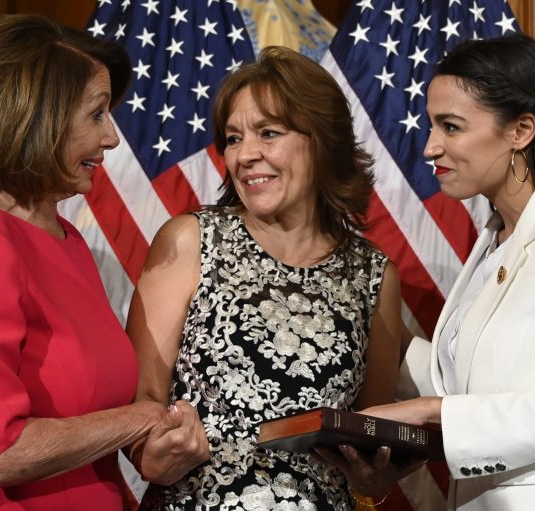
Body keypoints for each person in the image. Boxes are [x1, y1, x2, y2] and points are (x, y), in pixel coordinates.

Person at [320, 34, 535, 510]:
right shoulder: (494, 238)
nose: (430, 147)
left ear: (522, 130)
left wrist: (438, 413)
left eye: (451, 127)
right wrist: (360, 317)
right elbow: (467, 385)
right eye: (433, 126)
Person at [0, 14, 187, 510]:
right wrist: (141, 417)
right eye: (98, 115)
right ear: (40, 117)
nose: (113, 139)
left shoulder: (65, 237)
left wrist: (155, 444)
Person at [125, 46, 402, 510]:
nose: (245, 155)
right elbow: (141, 402)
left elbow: (371, 442)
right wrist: (148, 452)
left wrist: (375, 476)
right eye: (233, 139)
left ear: (322, 141)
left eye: (268, 133)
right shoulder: (192, 240)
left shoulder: (373, 276)